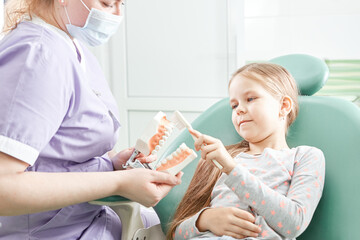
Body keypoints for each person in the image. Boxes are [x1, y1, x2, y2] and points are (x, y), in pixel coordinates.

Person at [0, 0, 182, 239]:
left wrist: (113, 163)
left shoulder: (72, 48)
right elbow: (4, 187)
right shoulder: (37, 55)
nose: (117, 14)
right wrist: (119, 182)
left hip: (94, 216)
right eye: (107, 3)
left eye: (121, 4)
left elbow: (61, 152)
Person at [168, 63, 325, 240]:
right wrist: (204, 220)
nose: (239, 109)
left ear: (283, 106)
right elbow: (176, 234)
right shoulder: (220, 160)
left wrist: (231, 169)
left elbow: (294, 223)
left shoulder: (305, 156)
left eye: (250, 99)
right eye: (234, 106)